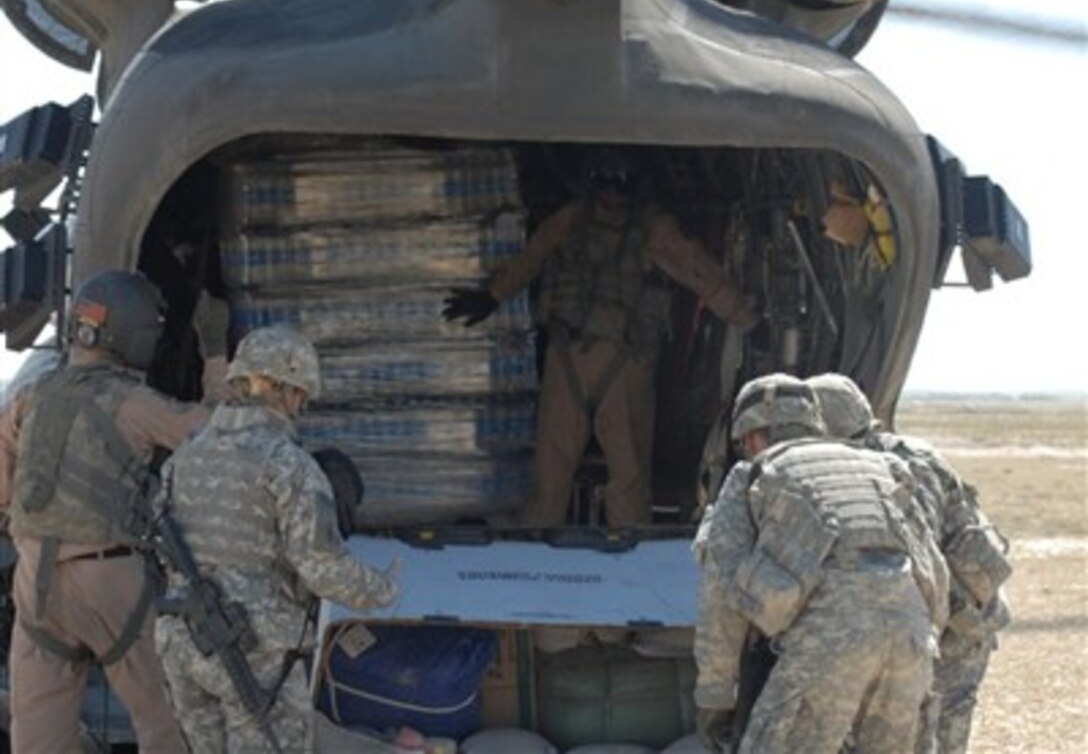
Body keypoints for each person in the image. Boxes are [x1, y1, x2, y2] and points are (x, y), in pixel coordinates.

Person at [443, 148, 759, 527]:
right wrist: (491, 296)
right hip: (580, 355)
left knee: (612, 470)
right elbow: (534, 254)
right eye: (604, 180)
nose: (611, 192)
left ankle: (612, 546)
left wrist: (744, 315)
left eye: (619, 182)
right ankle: (557, 543)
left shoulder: (642, 226)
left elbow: (699, 271)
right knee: (565, 468)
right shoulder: (580, 219)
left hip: (614, 356)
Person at [0, 269, 230, 754]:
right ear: (132, 332)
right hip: (110, 580)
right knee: (166, 716)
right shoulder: (133, 402)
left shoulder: (29, 397)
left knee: (38, 733)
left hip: (33, 581)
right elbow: (219, 436)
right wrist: (214, 352)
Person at [153, 324, 400, 752]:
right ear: (286, 390)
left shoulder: (185, 456)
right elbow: (322, 567)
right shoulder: (288, 464)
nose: (301, 405)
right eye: (300, 393)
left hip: (184, 645)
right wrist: (385, 589)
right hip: (252, 655)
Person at [694, 373, 944, 754]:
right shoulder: (879, 469)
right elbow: (934, 574)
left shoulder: (752, 475)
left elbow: (722, 596)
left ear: (750, 438)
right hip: (910, 641)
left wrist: (715, 696)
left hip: (825, 647)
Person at [806, 372, 1012, 754]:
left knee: (933, 730)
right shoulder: (893, 455)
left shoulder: (894, 467)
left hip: (958, 622)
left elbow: (920, 562)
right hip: (954, 614)